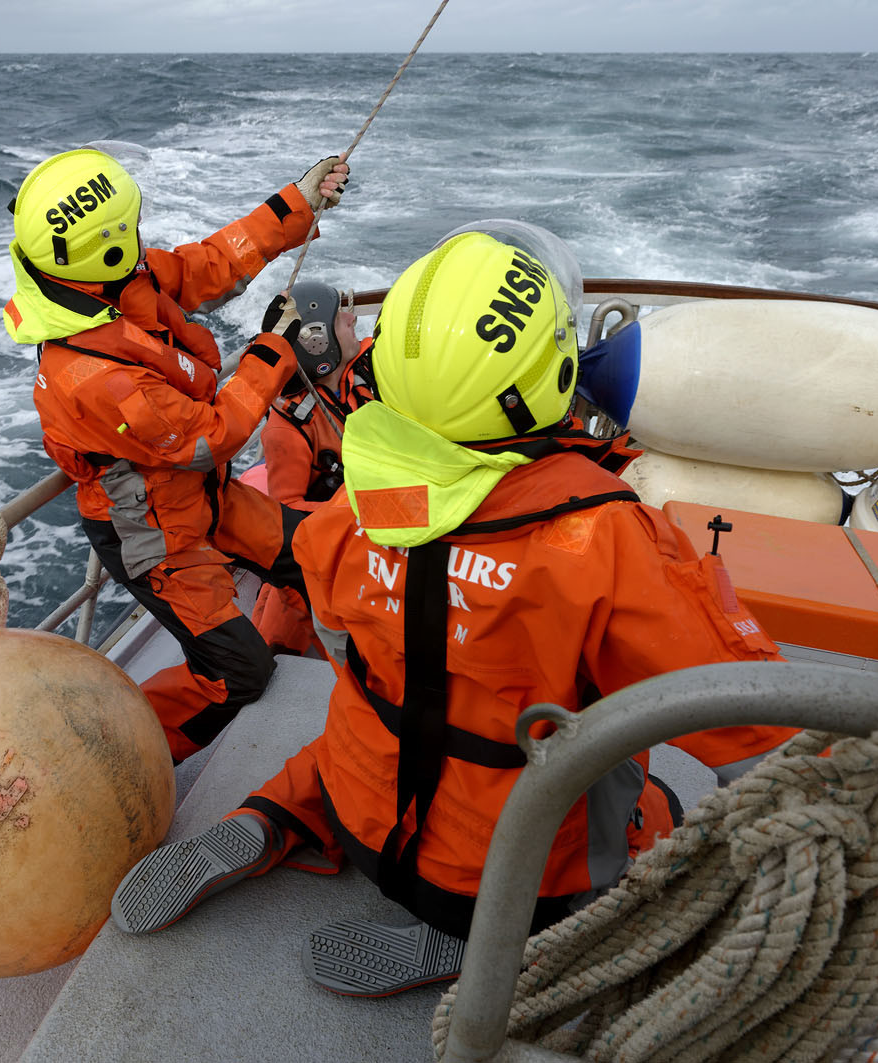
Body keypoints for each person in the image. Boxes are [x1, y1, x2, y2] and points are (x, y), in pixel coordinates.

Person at [109, 223, 799, 996]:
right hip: (497, 879)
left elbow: (341, 647)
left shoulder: (345, 516)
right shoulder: (607, 545)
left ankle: (268, 816)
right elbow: (762, 734)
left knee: (382, 709)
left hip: (366, 816)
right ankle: (483, 938)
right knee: (640, 790)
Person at [2, 146, 350, 762]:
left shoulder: (105, 284)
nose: (140, 238)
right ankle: (111, 761)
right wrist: (275, 350)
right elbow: (211, 435)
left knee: (320, 552)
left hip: (201, 501)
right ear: (106, 249)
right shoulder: (91, 376)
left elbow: (206, 266)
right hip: (156, 537)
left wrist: (297, 200)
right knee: (239, 673)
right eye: (130, 229)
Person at [249, 279, 373, 656]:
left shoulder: (370, 369)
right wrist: (359, 515)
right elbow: (287, 513)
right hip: (341, 531)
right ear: (318, 342)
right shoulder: (287, 429)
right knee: (283, 637)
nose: (352, 319)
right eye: (341, 317)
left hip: (378, 515)